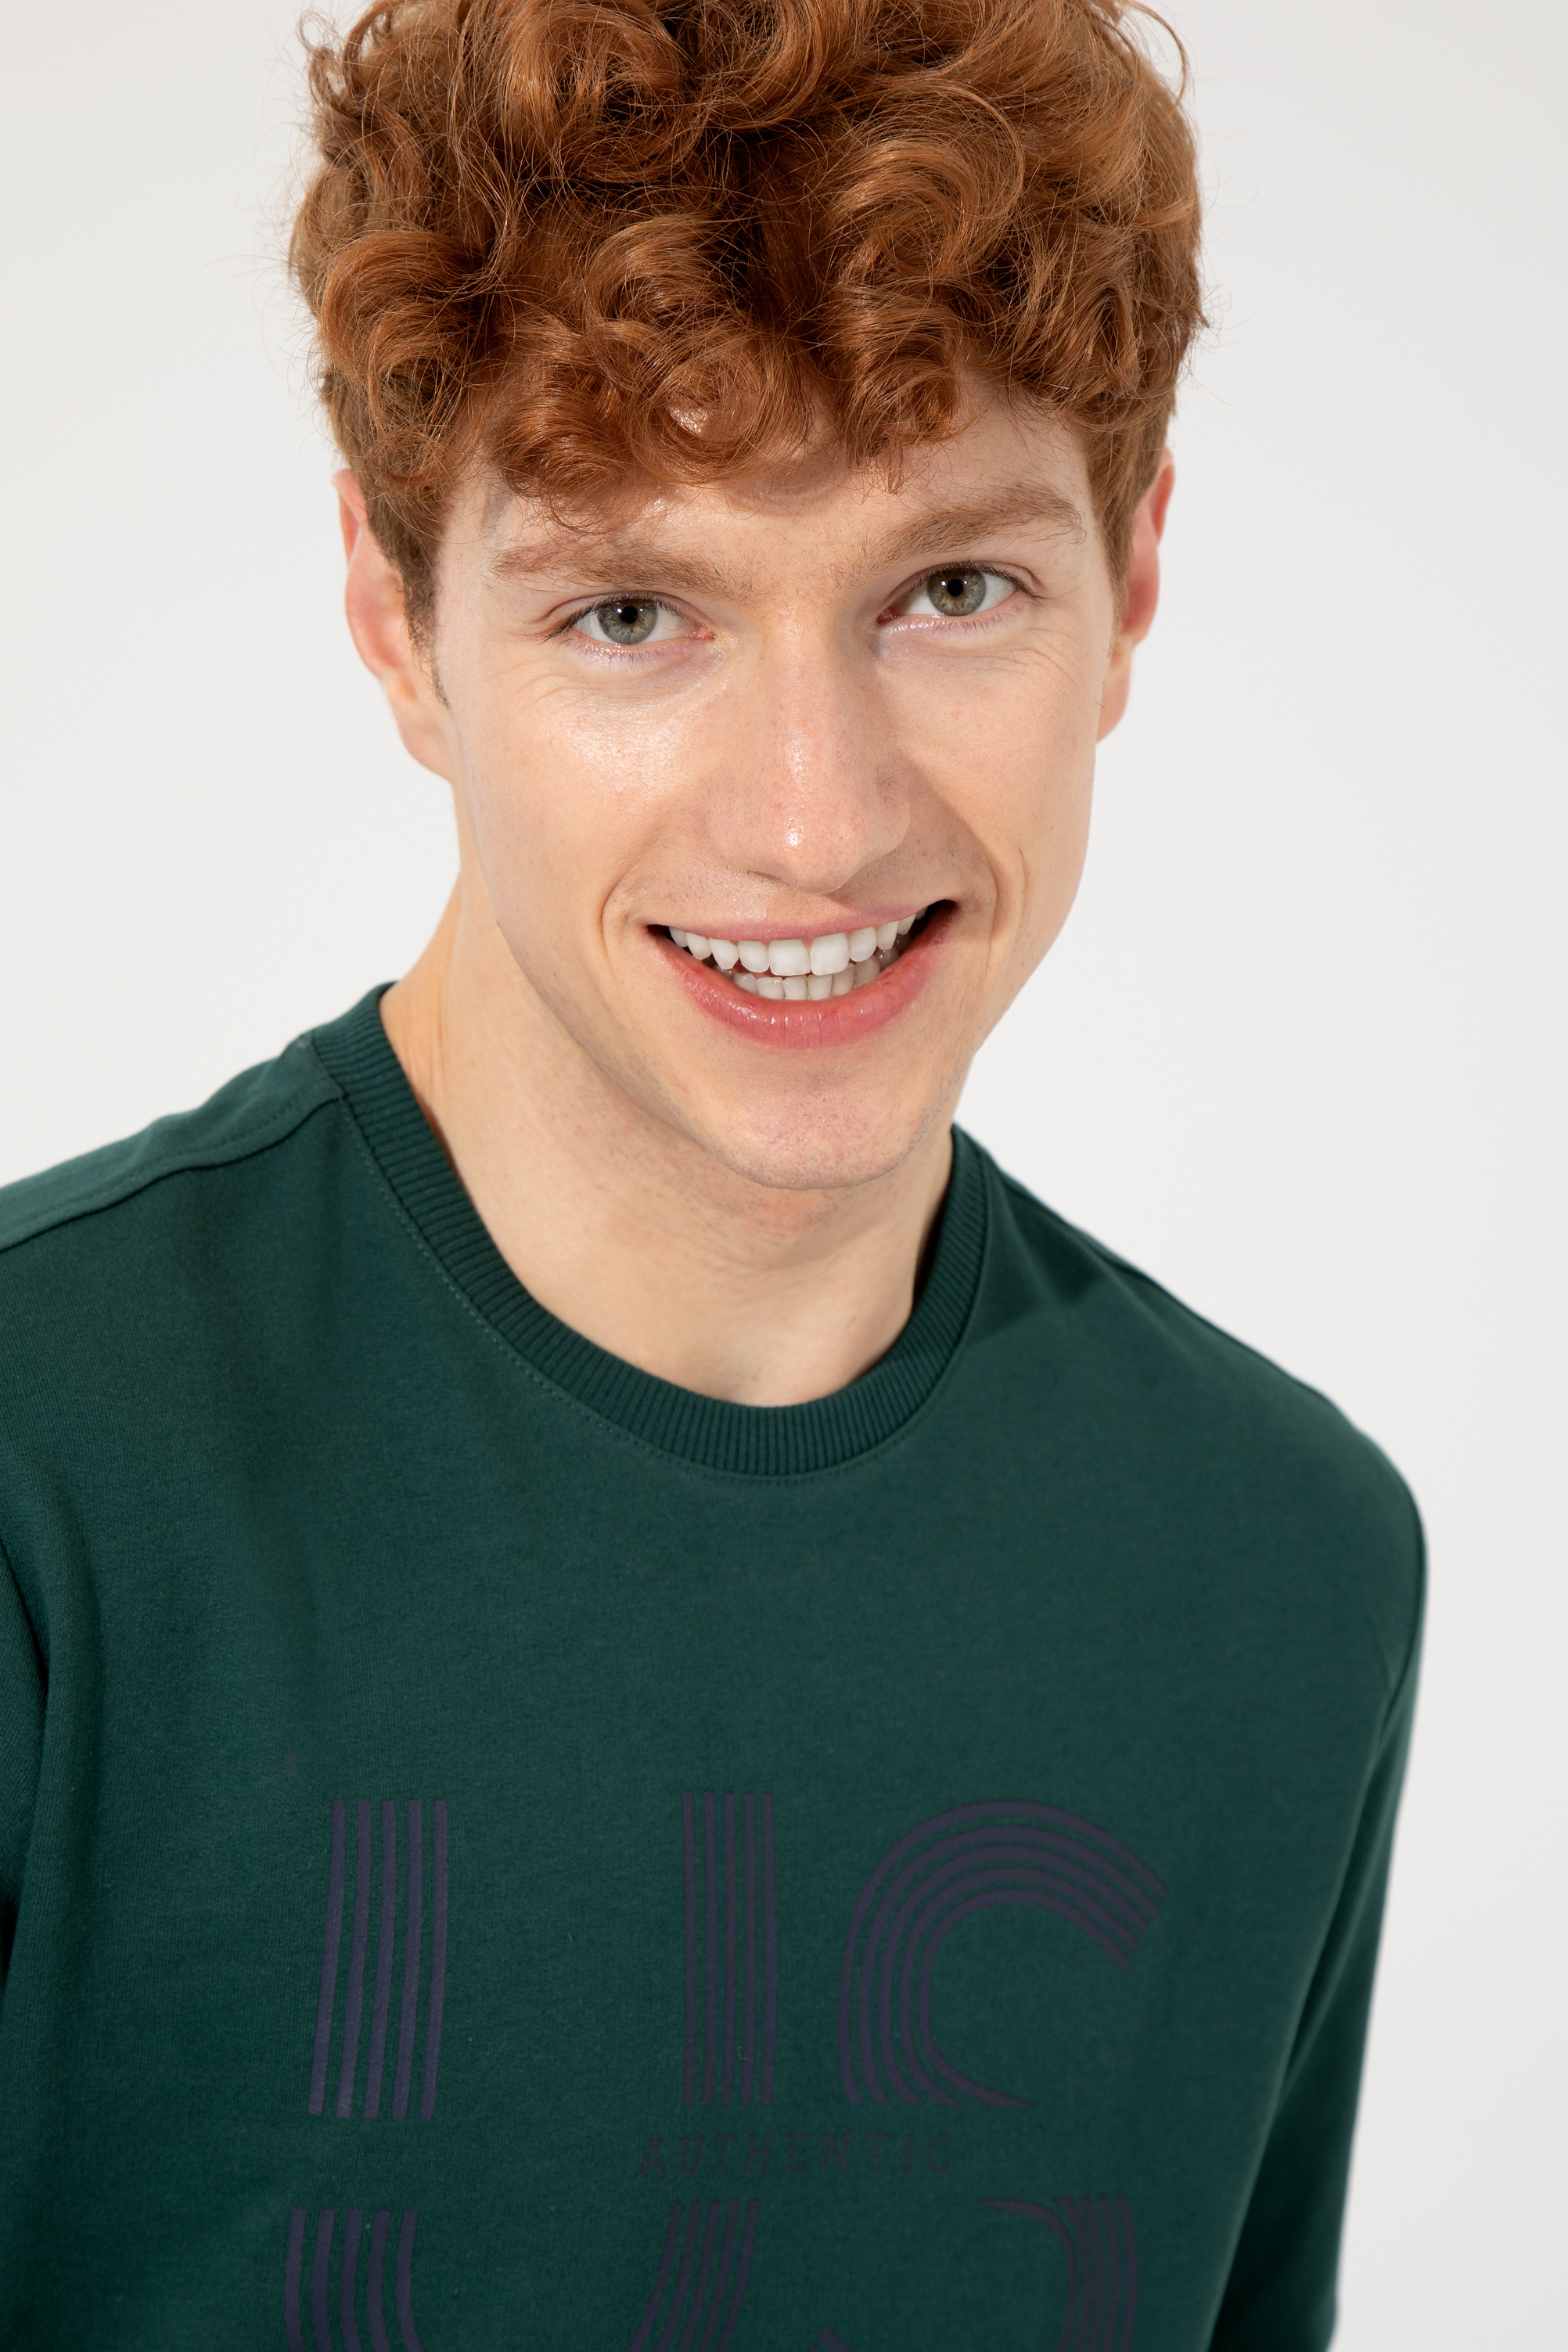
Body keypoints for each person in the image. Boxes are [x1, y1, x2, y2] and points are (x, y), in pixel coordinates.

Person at [0, 2, 1422, 2345]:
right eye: (630, 614)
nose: (812, 818)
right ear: (397, 625)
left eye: (949, 591)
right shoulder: (49, 1474)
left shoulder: (1283, 1564)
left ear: (1134, 581)